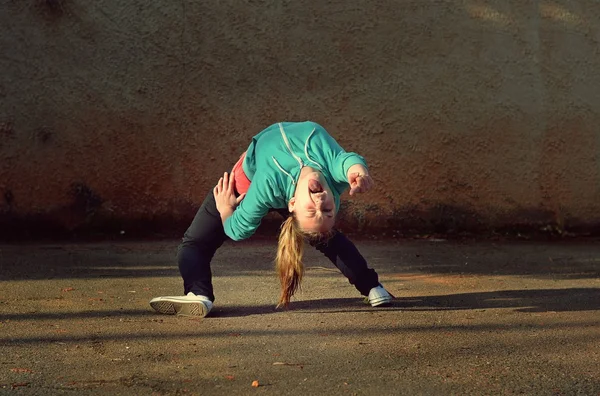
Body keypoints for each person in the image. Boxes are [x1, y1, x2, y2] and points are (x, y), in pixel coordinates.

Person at [149, 121, 393, 317]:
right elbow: (347, 160)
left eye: (312, 212)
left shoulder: (267, 184)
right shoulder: (333, 175)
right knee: (324, 234)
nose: (320, 205)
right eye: (327, 210)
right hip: (270, 176)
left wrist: (226, 210)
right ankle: (373, 287)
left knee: (193, 243)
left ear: (293, 206)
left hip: (245, 181)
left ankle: (197, 294)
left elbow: (237, 229)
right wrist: (358, 172)